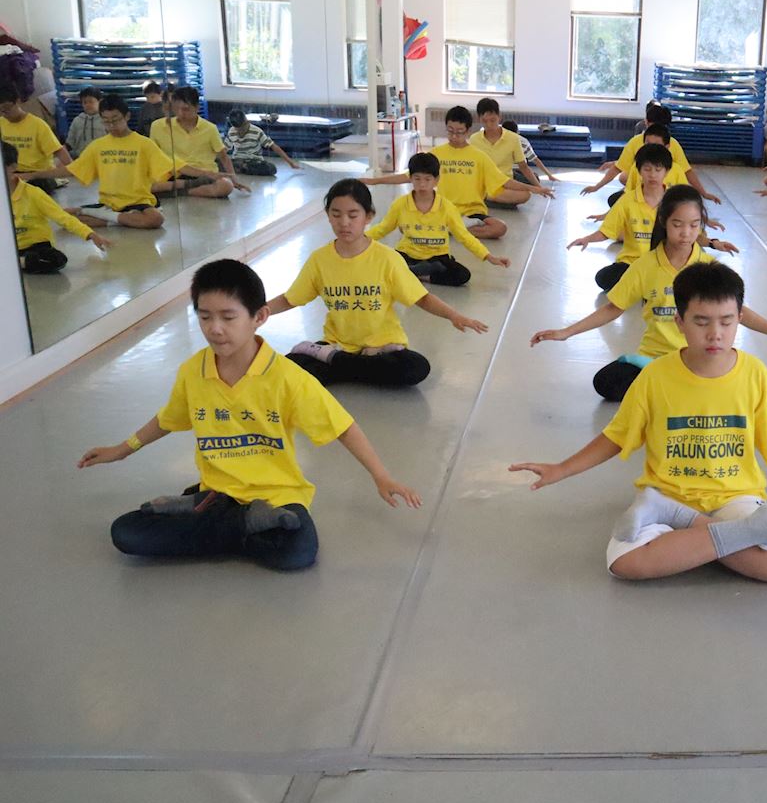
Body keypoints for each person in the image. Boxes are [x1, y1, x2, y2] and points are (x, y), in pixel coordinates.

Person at [511, 262, 767, 582]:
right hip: (668, 491)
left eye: (727, 322)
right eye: (702, 322)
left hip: (734, 496)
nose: (715, 333)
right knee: (623, 562)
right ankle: (725, 530)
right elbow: (616, 437)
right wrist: (562, 469)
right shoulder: (655, 377)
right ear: (680, 321)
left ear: (739, 320)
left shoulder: (754, 375)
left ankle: (692, 529)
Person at [77, 259, 422, 571]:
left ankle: (206, 518)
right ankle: (239, 524)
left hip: (276, 498)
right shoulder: (192, 372)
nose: (215, 328)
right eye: (205, 316)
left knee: (298, 552)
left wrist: (381, 475)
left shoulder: (287, 378)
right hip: (219, 492)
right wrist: (122, 449)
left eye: (228, 317)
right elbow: (168, 419)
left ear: (259, 317)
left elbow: (343, 426)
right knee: (125, 534)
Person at [531, 184, 767, 401]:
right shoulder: (645, 266)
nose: (686, 233)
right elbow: (612, 308)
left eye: (694, 225)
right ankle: (676, 383)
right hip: (655, 358)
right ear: (663, 223)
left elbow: (738, 314)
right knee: (605, 383)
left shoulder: (707, 267)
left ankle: (683, 383)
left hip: (700, 356)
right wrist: (565, 332)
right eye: (678, 225)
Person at [265, 179, 489, 388]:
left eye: (353, 215)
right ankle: (349, 364)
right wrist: (258, 312)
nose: (344, 223)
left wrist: (455, 316)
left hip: (383, 347)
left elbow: (421, 297)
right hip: (339, 343)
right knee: (292, 366)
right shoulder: (319, 259)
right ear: (328, 216)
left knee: (416, 368)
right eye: (336, 215)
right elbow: (290, 298)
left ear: (369, 216)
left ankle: (336, 363)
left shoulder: (387, 258)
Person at [362, 106, 549, 241]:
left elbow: (504, 181)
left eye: (459, 132)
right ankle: (451, 228)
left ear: (468, 131)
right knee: (405, 227)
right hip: (441, 210)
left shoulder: (479, 157)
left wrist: (534, 188)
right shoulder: (436, 154)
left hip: (472, 213)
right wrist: (375, 181)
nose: (454, 136)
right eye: (450, 131)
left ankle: (451, 230)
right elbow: (408, 175)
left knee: (500, 228)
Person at [568, 144, 737, 291]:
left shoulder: (675, 202)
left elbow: (690, 236)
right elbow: (607, 231)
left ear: (667, 171)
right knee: (603, 278)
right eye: (647, 169)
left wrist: (715, 244)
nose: (652, 175)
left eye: (658, 170)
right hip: (633, 263)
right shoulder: (627, 200)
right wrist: (586, 239)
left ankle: (650, 283)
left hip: (666, 261)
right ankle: (653, 283)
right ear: (639, 171)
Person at [26, 95, 171, 230]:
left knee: (156, 219)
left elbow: (168, 167)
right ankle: (116, 219)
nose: (111, 125)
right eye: (106, 121)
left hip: (138, 201)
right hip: (109, 203)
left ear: (127, 116)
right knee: (63, 218)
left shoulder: (144, 143)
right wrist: (34, 175)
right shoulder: (98, 146)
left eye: (115, 120)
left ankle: (105, 218)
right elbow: (71, 170)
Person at [367, 151, 509, 287]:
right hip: (408, 254)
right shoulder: (400, 204)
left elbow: (464, 236)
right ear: (410, 178)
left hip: (437, 256)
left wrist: (490, 257)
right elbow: (383, 228)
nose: (422, 184)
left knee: (462, 275)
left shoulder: (446, 207)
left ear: (436, 180)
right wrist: (356, 239)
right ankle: (417, 271)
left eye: (427, 179)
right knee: (383, 264)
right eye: (417, 179)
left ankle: (416, 274)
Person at [586, 102, 723, 207]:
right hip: (642, 190)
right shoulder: (636, 143)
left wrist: (703, 194)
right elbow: (618, 167)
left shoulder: (673, 148)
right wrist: (597, 187)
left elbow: (687, 172)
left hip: (664, 193)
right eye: (648, 143)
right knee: (618, 196)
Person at [5, 142, 111, 273]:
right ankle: (16, 263)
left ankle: (18, 263)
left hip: (35, 246)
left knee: (57, 259)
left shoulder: (33, 193)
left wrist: (90, 234)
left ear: (13, 167)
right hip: (8, 248)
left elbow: (63, 217)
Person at [149, 86, 248, 199]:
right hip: (174, 174)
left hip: (204, 174)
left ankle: (180, 191)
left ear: (197, 107)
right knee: (145, 184)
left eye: (186, 109)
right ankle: (183, 189)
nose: (180, 113)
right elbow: (153, 157)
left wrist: (234, 179)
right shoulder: (158, 126)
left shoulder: (209, 128)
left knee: (226, 186)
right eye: (176, 109)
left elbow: (224, 157)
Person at [0, 82, 72, 193]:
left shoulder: (37, 125)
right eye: (0, 111)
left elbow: (58, 151)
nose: (4, 114)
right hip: (11, 174)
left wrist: (73, 170)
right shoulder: (1, 123)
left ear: (18, 101)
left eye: (7, 109)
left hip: (37, 175)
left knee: (33, 188)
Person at [469, 98, 545, 196]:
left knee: (525, 195)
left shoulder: (513, 138)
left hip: (506, 183)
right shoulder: (474, 139)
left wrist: (539, 188)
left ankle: (486, 197)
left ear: (499, 116)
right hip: (484, 183)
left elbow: (523, 167)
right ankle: (487, 196)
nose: (489, 125)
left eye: (493, 120)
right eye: (484, 121)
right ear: (478, 118)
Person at [223, 109, 301, 176]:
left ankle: (243, 168)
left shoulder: (257, 131)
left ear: (247, 122)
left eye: (243, 129)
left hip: (254, 161)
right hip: (238, 160)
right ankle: (242, 168)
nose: (241, 132)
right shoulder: (231, 132)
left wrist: (290, 163)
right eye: (238, 130)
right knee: (220, 163)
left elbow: (273, 146)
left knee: (272, 169)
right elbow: (223, 150)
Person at [64, 87, 107, 157]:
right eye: (84, 102)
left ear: (100, 102)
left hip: (102, 158)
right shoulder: (77, 121)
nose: (88, 105)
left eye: (91, 101)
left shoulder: (106, 120)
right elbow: (70, 142)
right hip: (80, 158)